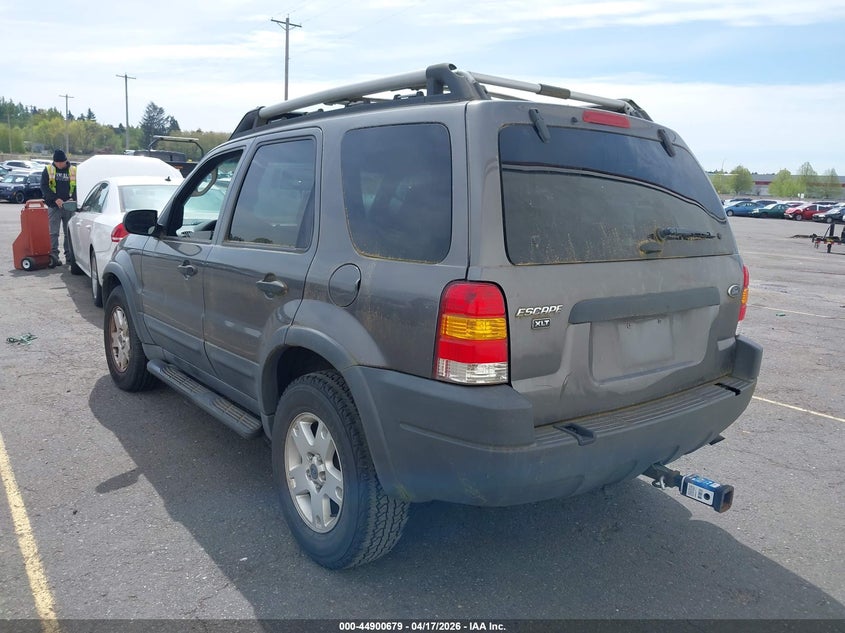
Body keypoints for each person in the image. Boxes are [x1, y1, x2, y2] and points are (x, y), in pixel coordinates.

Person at [40, 149, 77, 266]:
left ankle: (69, 256)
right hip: (54, 206)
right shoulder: (48, 170)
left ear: (66, 160)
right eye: (57, 163)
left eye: (61, 162)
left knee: (68, 232)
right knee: (53, 232)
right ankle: (54, 257)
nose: (60, 165)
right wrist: (55, 199)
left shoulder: (74, 170)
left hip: (69, 206)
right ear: (54, 161)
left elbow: (78, 186)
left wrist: (73, 198)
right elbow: (44, 187)